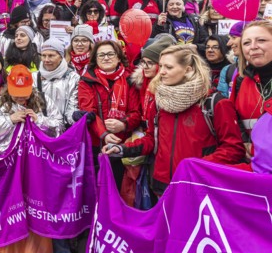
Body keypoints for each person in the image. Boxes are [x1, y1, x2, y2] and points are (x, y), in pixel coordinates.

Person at [104, 45, 245, 195]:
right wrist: (123, 149)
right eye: (161, 65)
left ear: (188, 70)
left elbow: (233, 149)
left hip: (198, 186)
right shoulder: (158, 103)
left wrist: (198, 166)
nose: (162, 71)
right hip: (162, 186)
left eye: (169, 67)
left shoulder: (214, 103)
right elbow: (152, 139)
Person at [78, 40, 141, 188]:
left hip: (122, 143)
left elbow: (136, 112)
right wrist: (104, 134)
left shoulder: (130, 79)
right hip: (96, 143)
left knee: (118, 188)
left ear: (119, 57)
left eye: (110, 54)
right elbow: (88, 113)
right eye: (101, 55)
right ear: (95, 59)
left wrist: (123, 124)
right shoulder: (87, 81)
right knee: (96, 188)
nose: (106, 58)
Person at [0, 64, 64, 154]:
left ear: (31, 87)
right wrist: (9, 120)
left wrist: (39, 121)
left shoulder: (44, 100)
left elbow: (60, 128)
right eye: (16, 93)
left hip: (37, 159)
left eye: (24, 93)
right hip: (8, 161)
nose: (20, 97)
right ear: (8, 88)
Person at [232, 21, 272, 161]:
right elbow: (233, 116)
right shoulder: (241, 79)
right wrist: (244, 141)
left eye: (261, 40)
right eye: (246, 43)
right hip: (254, 162)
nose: (253, 47)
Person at [33, 38, 79, 126]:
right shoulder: (33, 77)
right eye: (43, 55)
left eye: (51, 56)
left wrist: (74, 117)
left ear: (61, 57)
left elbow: (72, 107)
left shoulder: (73, 78)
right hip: (40, 127)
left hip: (65, 129)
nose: (46, 60)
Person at [218, 21, 248, 98]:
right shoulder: (227, 70)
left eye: (234, 37)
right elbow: (224, 99)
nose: (228, 43)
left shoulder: (265, 71)